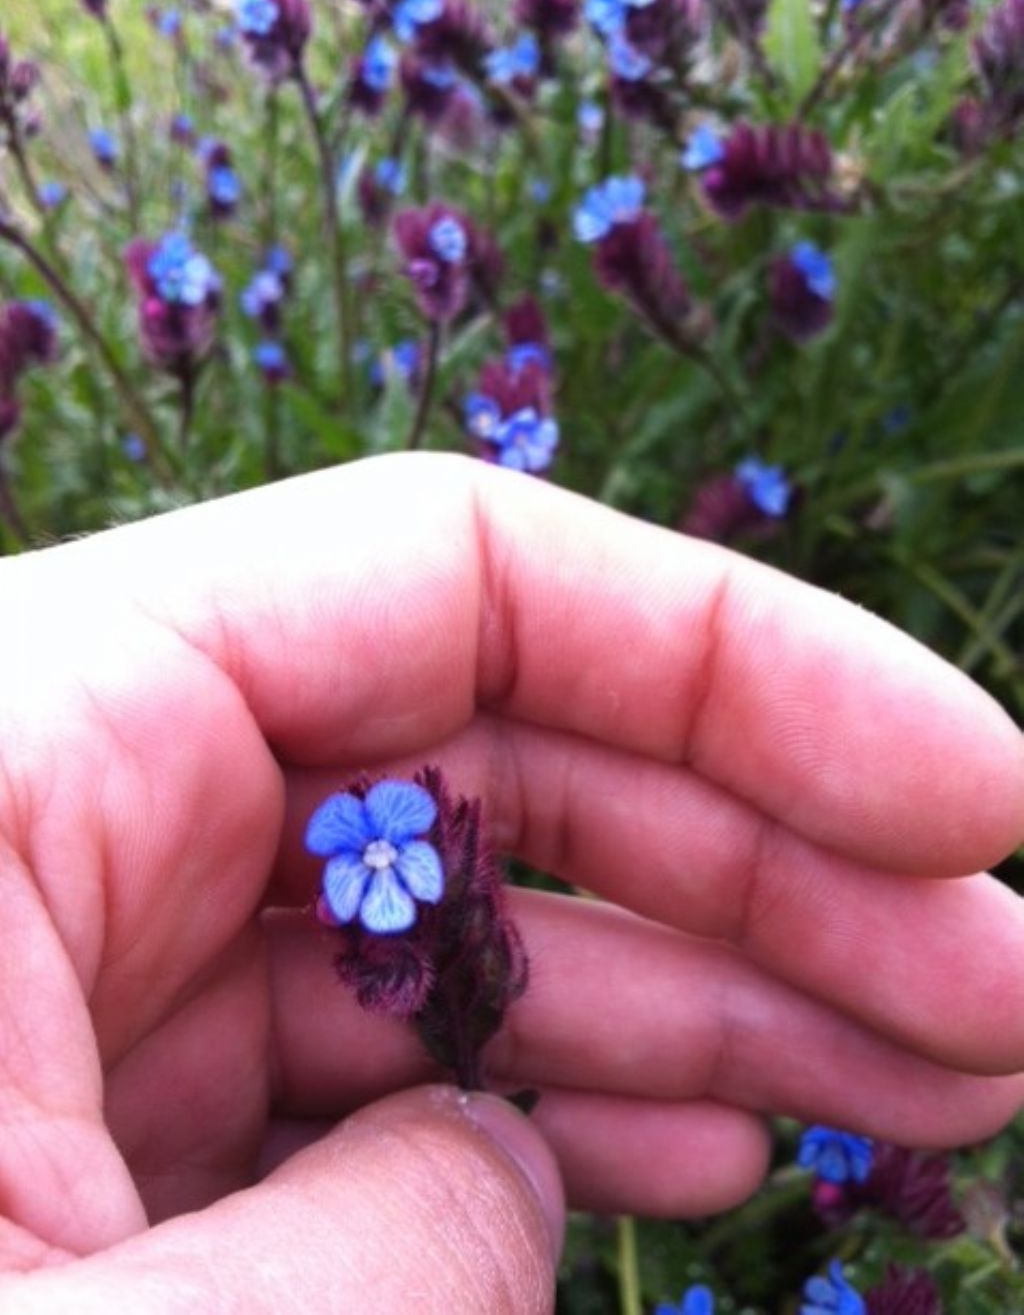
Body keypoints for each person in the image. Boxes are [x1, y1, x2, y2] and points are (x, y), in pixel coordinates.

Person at [1, 452, 1023, 1312]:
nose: (379, 859)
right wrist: (454, 1199)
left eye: (385, 852)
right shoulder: (368, 860)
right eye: (372, 855)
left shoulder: (395, 861)